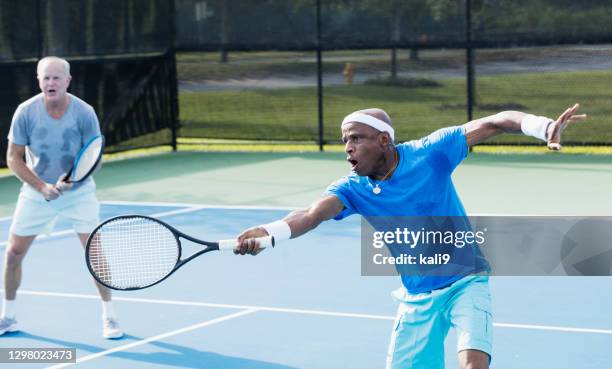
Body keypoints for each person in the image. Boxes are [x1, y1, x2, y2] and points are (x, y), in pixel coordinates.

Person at [233, 104, 586, 369]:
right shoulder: (353, 188)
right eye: (345, 141)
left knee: (472, 363)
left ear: (384, 140)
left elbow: (494, 122)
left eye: (356, 138)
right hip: (416, 298)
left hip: (467, 281)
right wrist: (270, 232)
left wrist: (543, 126)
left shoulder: (430, 153)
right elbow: (310, 215)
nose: (348, 148)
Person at [0, 56, 123, 339]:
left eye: (57, 77)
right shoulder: (25, 112)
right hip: (35, 194)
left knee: (94, 253)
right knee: (13, 254)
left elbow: (95, 157)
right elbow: (13, 158)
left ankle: (110, 316)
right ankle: (8, 316)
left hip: (79, 194)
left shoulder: (84, 112)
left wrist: (72, 180)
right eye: (46, 77)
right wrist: (42, 187)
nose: (51, 82)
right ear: (39, 80)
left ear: (68, 81)